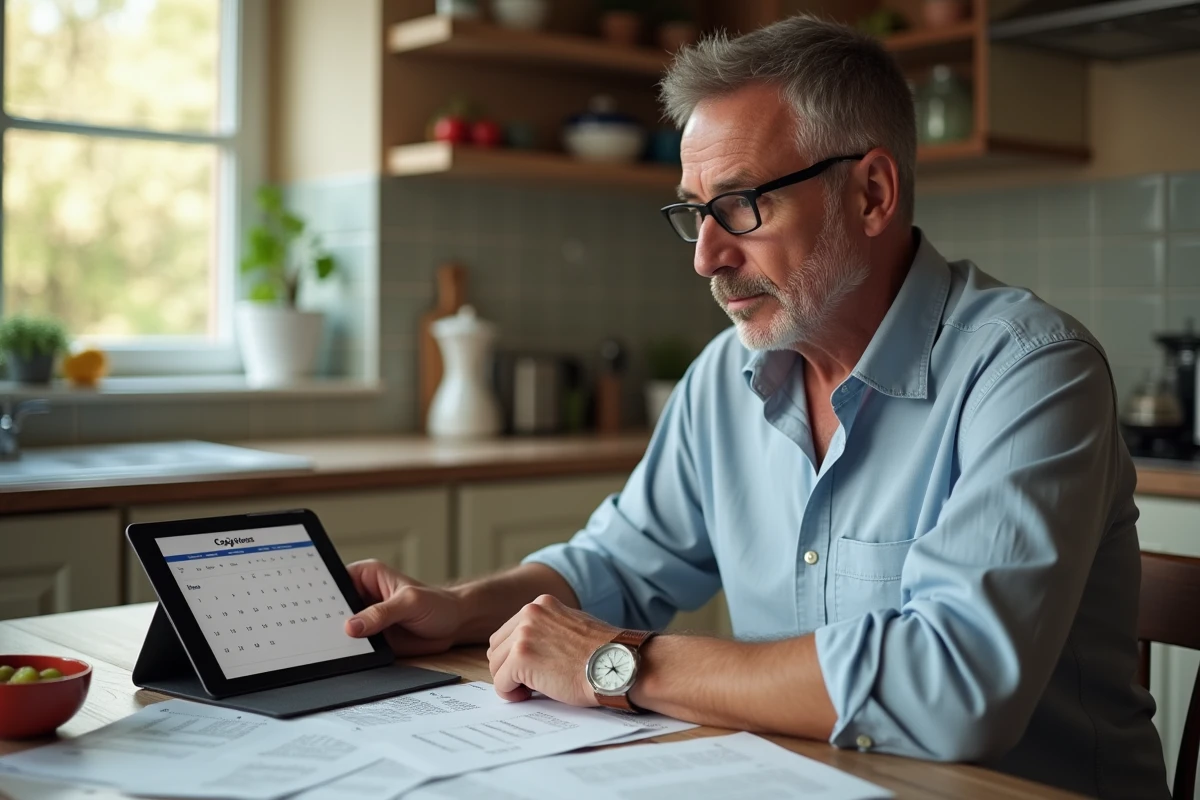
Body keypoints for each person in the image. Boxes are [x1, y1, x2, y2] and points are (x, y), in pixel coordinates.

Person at [344, 15, 1169, 799]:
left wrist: (619, 664)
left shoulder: (1030, 372)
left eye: (741, 205)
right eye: (694, 212)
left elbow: (953, 689)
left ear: (872, 193)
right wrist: (457, 607)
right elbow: (617, 567)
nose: (706, 256)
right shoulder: (723, 379)